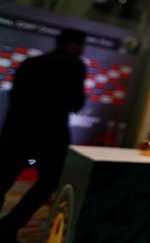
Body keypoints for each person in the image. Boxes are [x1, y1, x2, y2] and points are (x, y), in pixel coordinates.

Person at [0, 29, 87, 242]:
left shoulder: (31, 63)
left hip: (17, 132)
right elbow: (76, 103)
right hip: (50, 135)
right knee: (50, 182)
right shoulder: (74, 66)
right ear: (73, 45)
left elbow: (15, 98)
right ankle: (10, 225)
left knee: (3, 179)